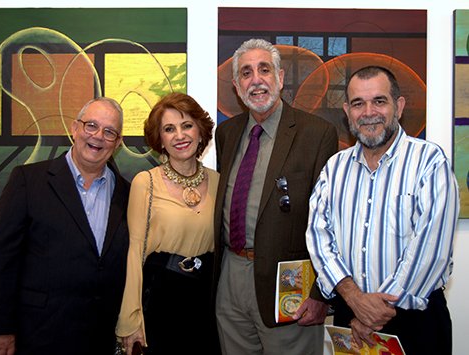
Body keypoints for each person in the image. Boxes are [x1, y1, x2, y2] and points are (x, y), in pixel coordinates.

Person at [306, 66, 459, 355]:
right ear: (347, 111)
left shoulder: (430, 162)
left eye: (379, 101)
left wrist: (376, 311)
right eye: (358, 103)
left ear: (398, 106)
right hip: (350, 314)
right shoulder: (335, 168)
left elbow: (430, 250)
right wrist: (355, 299)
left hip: (415, 319)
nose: (368, 112)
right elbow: (317, 235)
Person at [213, 38, 338, 354]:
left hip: (289, 286)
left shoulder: (317, 134)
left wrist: (321, 294)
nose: (255, 80)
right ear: (237, 86)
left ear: (280, 78)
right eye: (246, 73)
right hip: (230, 275)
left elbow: (330, 221)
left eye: (264, 69)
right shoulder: (226, 134)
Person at [0, 97, 130, 355]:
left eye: (109, 132)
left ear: (117, 142)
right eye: (91, 125)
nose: (98, 136)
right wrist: (0, 328)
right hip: (40, 333)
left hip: (101, 336)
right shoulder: (28, 181)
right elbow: (0, 258)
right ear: (74, 128)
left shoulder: (127, 194)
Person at [116, 92, 221, 354]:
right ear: (160, 140)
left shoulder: (219, 181)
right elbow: (134, 253)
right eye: (169, 129)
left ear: (200, 131)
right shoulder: (145, 182)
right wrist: (131, 319)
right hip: (161, 296)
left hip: (206, 300)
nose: (180, 135)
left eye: (187, 125)